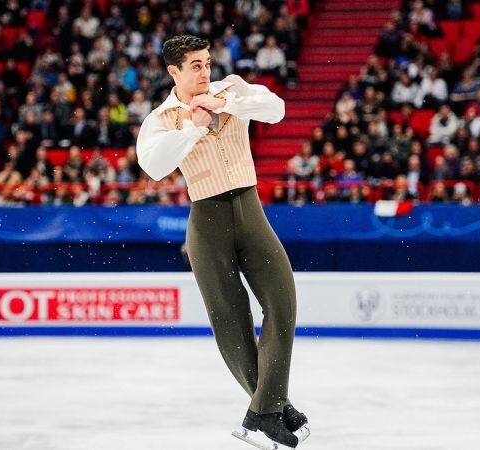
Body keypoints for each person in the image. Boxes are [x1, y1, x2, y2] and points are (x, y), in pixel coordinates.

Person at [135, 35, 308, 449]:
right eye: (195, 65)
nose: (205, 72)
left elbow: (276, 109)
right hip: (206, 221)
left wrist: (225, 104)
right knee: (230, 323)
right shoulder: (162, 117)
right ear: (173, 71)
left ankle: (262, 411)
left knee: (282, 303)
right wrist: (193, 128)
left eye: (207, 63)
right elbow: (154, 166)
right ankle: (273, 409)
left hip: (250, 210)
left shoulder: (231, 88)